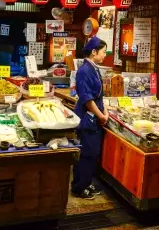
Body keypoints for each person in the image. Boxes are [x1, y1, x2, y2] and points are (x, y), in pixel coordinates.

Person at [71, 37, 109, 200]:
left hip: (96, 118)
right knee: (85, 153)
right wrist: (101, 115)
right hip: (88, 119)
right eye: (103, 52)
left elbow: (99, 96)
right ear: (94, 52)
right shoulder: (84, 70)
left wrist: (105, 111)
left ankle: (86, 183)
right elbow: (87, 99)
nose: (104, 55)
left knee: (92, 153)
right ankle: (78, 187)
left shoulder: (94, 68)